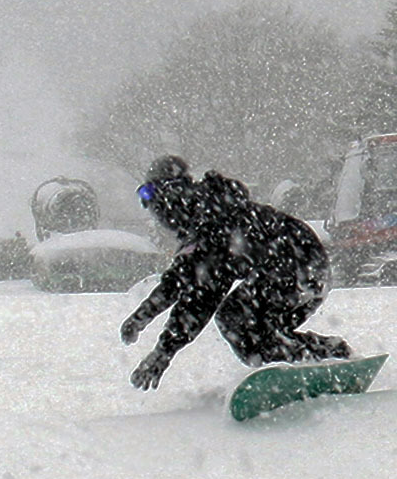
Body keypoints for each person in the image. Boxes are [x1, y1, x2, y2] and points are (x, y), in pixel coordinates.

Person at [120, 155, 352, 390]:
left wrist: (163, 352)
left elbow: (200, 299)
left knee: (235, 320)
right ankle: (328, 356)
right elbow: (177, 281)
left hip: (296, 266)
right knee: (259, 334)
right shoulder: (205, 217)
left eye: (150, 196)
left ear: (171, 193)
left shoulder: (211, 223)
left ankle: (317, 360)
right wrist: (142, 317)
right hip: (309, 268)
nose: (151, 209)